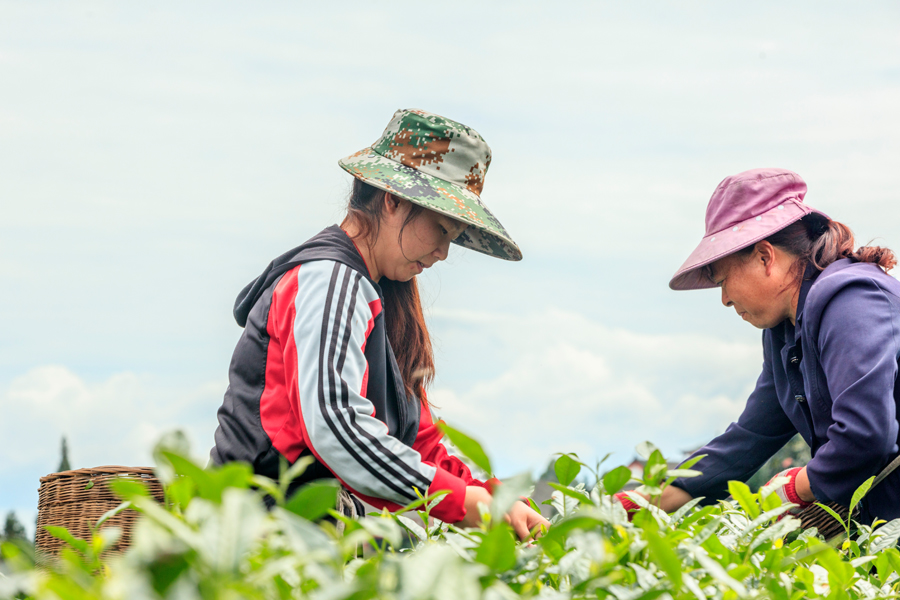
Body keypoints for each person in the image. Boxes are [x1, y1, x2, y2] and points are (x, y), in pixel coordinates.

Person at [209, 108, 549, 540]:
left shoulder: (378, 293)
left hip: (310, 535)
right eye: (441, 230)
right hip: (255, 535)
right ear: (392, 200)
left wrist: (494, 496)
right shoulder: (329, 280)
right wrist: (461, 502)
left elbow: (419, 440)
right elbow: (336, 425)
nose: (443, 253)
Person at [617, 168, 900, 524]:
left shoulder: (852, 302)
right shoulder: (786, 331)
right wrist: (632, 504)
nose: (724, 299)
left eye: (723, 281)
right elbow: (747, 440)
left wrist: (797, 485)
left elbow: (866, 436)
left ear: (766, 257)